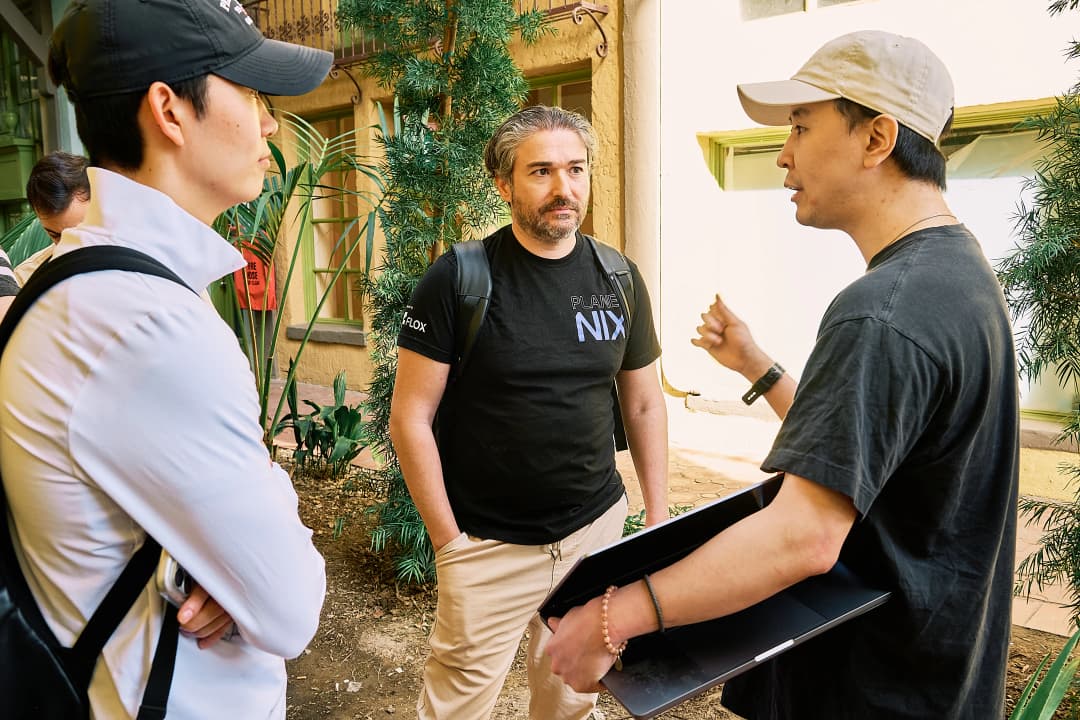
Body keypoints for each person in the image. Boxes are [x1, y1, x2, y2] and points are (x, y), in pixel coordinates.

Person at [546, 30, 1019, 719]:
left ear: (877, 138)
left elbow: (803, 535)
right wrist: (757, 367)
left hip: (871, 694)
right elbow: (868, 459)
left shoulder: (882, 311)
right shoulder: (956, 279)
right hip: (935, 686)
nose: (783, 153)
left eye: (801, 125)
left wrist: (612, 618)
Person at [0, 1, 334, 718]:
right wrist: (239, 540)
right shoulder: (147, 324)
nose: (270, 123)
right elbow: (290, 604)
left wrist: (198, 556)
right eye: (249, 93)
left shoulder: (80, 281)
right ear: (170, 112)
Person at [390, 104, 669, 720]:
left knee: (570, 703)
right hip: (486, 547)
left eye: (575, 169)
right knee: (455, 711)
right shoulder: (459, 279)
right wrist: (449, 544)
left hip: (592, 540)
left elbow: (644, 401)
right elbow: (410, 416)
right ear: (504, 183)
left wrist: (654, 513)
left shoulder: (618, 277)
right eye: (541, 171)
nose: (563, 188)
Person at [15, 150, 91, 284]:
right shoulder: (26, 279)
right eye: (55, 236)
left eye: (79, 233)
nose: (67, 247)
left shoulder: (133, 259)